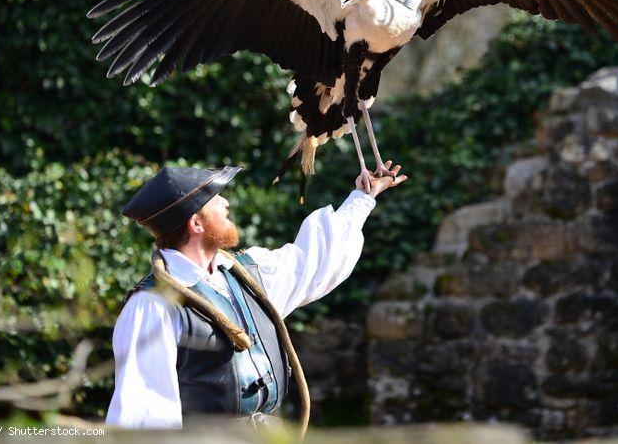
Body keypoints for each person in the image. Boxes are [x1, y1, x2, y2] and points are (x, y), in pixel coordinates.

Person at [105, 160, 407, 428]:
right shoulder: (152, 306)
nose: (226, 204)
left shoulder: (248, 274)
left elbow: (312, 261)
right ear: (196, 223)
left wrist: (363, 197)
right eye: (215, 199)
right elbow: (143, 414)